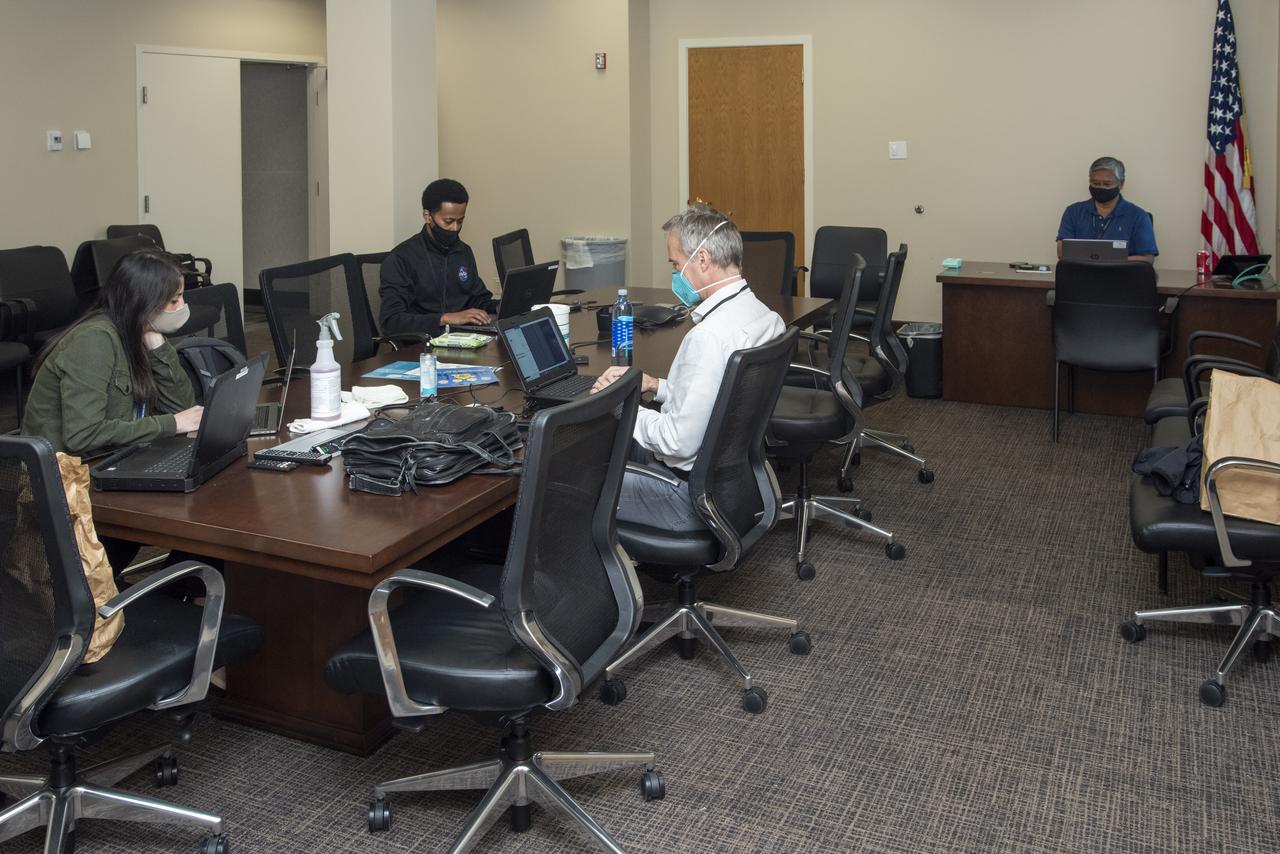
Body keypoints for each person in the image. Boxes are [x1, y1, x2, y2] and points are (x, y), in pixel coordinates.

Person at [590, 205, 785, 530]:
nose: (675, 275)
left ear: (704, 260)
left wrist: (624, 409)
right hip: (733, 485)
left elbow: (677, 443)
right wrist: (658, 386)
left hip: (687, 497)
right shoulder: (764, 316)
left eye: (676, 265)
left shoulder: (708, 338)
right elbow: (723, 396)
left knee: (567, 482)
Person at [22, 248, 203, 458]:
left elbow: (183, 410)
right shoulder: (94, 341)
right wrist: (169, 424)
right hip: (69, 475)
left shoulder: (143, 331)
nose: (182, 306)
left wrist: (158, 349)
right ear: (143, 301)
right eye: (174, 300)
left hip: (115, 456)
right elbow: (83, 435)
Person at [379, 178, 498, 336]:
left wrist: (500, 307)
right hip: (422, 346)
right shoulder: (401, 258)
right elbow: (391, 321)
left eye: (460, 221)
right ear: (428, 216)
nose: (455, 228)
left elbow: (477, 298)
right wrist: (445, 319)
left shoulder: (463, 251)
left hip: (463, 338)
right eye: (448, 221)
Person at [1056, 156, 1158, 262]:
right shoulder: (1073, 212)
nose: (1101, 188)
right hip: (1081, 274)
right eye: (1095, 183)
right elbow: (1062, 251)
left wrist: (1105, 261)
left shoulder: (1138, 216)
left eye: (1107, 184)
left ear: (1121, 184)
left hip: (1123, 275)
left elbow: (1148, 259)